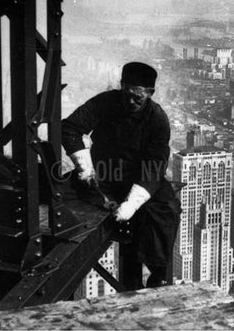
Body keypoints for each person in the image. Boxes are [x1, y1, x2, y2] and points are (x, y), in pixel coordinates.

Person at [61, 62, 180, 290]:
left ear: (150, 94)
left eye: (138, 97)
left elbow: (155, 166)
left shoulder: (157, 119)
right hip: (103, 173)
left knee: (167, 208)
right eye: (127, 94)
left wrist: (131, 205)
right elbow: (70, 128)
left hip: (140, 177)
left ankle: (159, 273)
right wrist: (86, 169)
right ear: (121, 86)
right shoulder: (105, 102)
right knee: (61, 193)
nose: (130, 102)